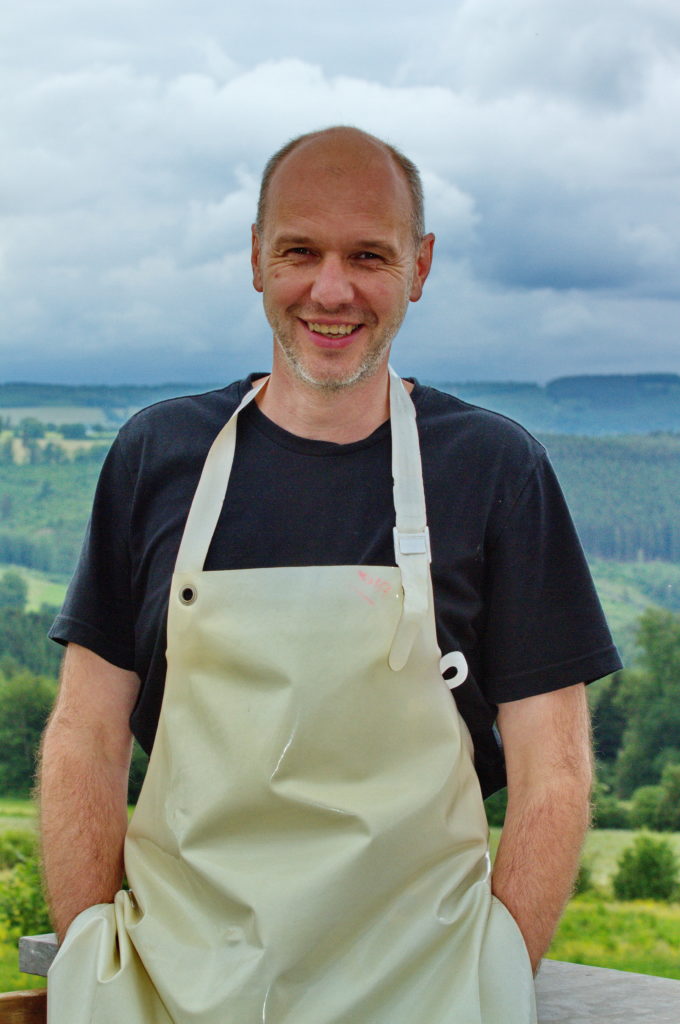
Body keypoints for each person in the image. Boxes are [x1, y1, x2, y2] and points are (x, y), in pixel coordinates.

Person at [39, 126, 621, 1024]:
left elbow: (556, 770)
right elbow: (85, 735)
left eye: (369, 256)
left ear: (420, 267)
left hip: (424, 994)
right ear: (256, 261)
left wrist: (494, 968)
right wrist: (88, 957)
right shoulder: (157, 455)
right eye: (300, 251)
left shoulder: (494, 470)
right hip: (167, 992)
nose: (332, 289)